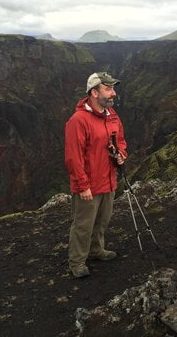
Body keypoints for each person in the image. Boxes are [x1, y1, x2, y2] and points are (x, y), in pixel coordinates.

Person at [65, 71, 127, 278]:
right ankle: (77, 261)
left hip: (108, 180)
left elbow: (121, 142)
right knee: (83, 225)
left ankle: (96, 250)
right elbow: (74, 157)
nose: (113, 93)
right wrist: (82, 186)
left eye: (113, 89)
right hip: (89, 185)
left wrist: (121, 156)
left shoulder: (112, 117)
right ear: (94, 92)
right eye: (108, 89)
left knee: (102, 221)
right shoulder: (78, 120)